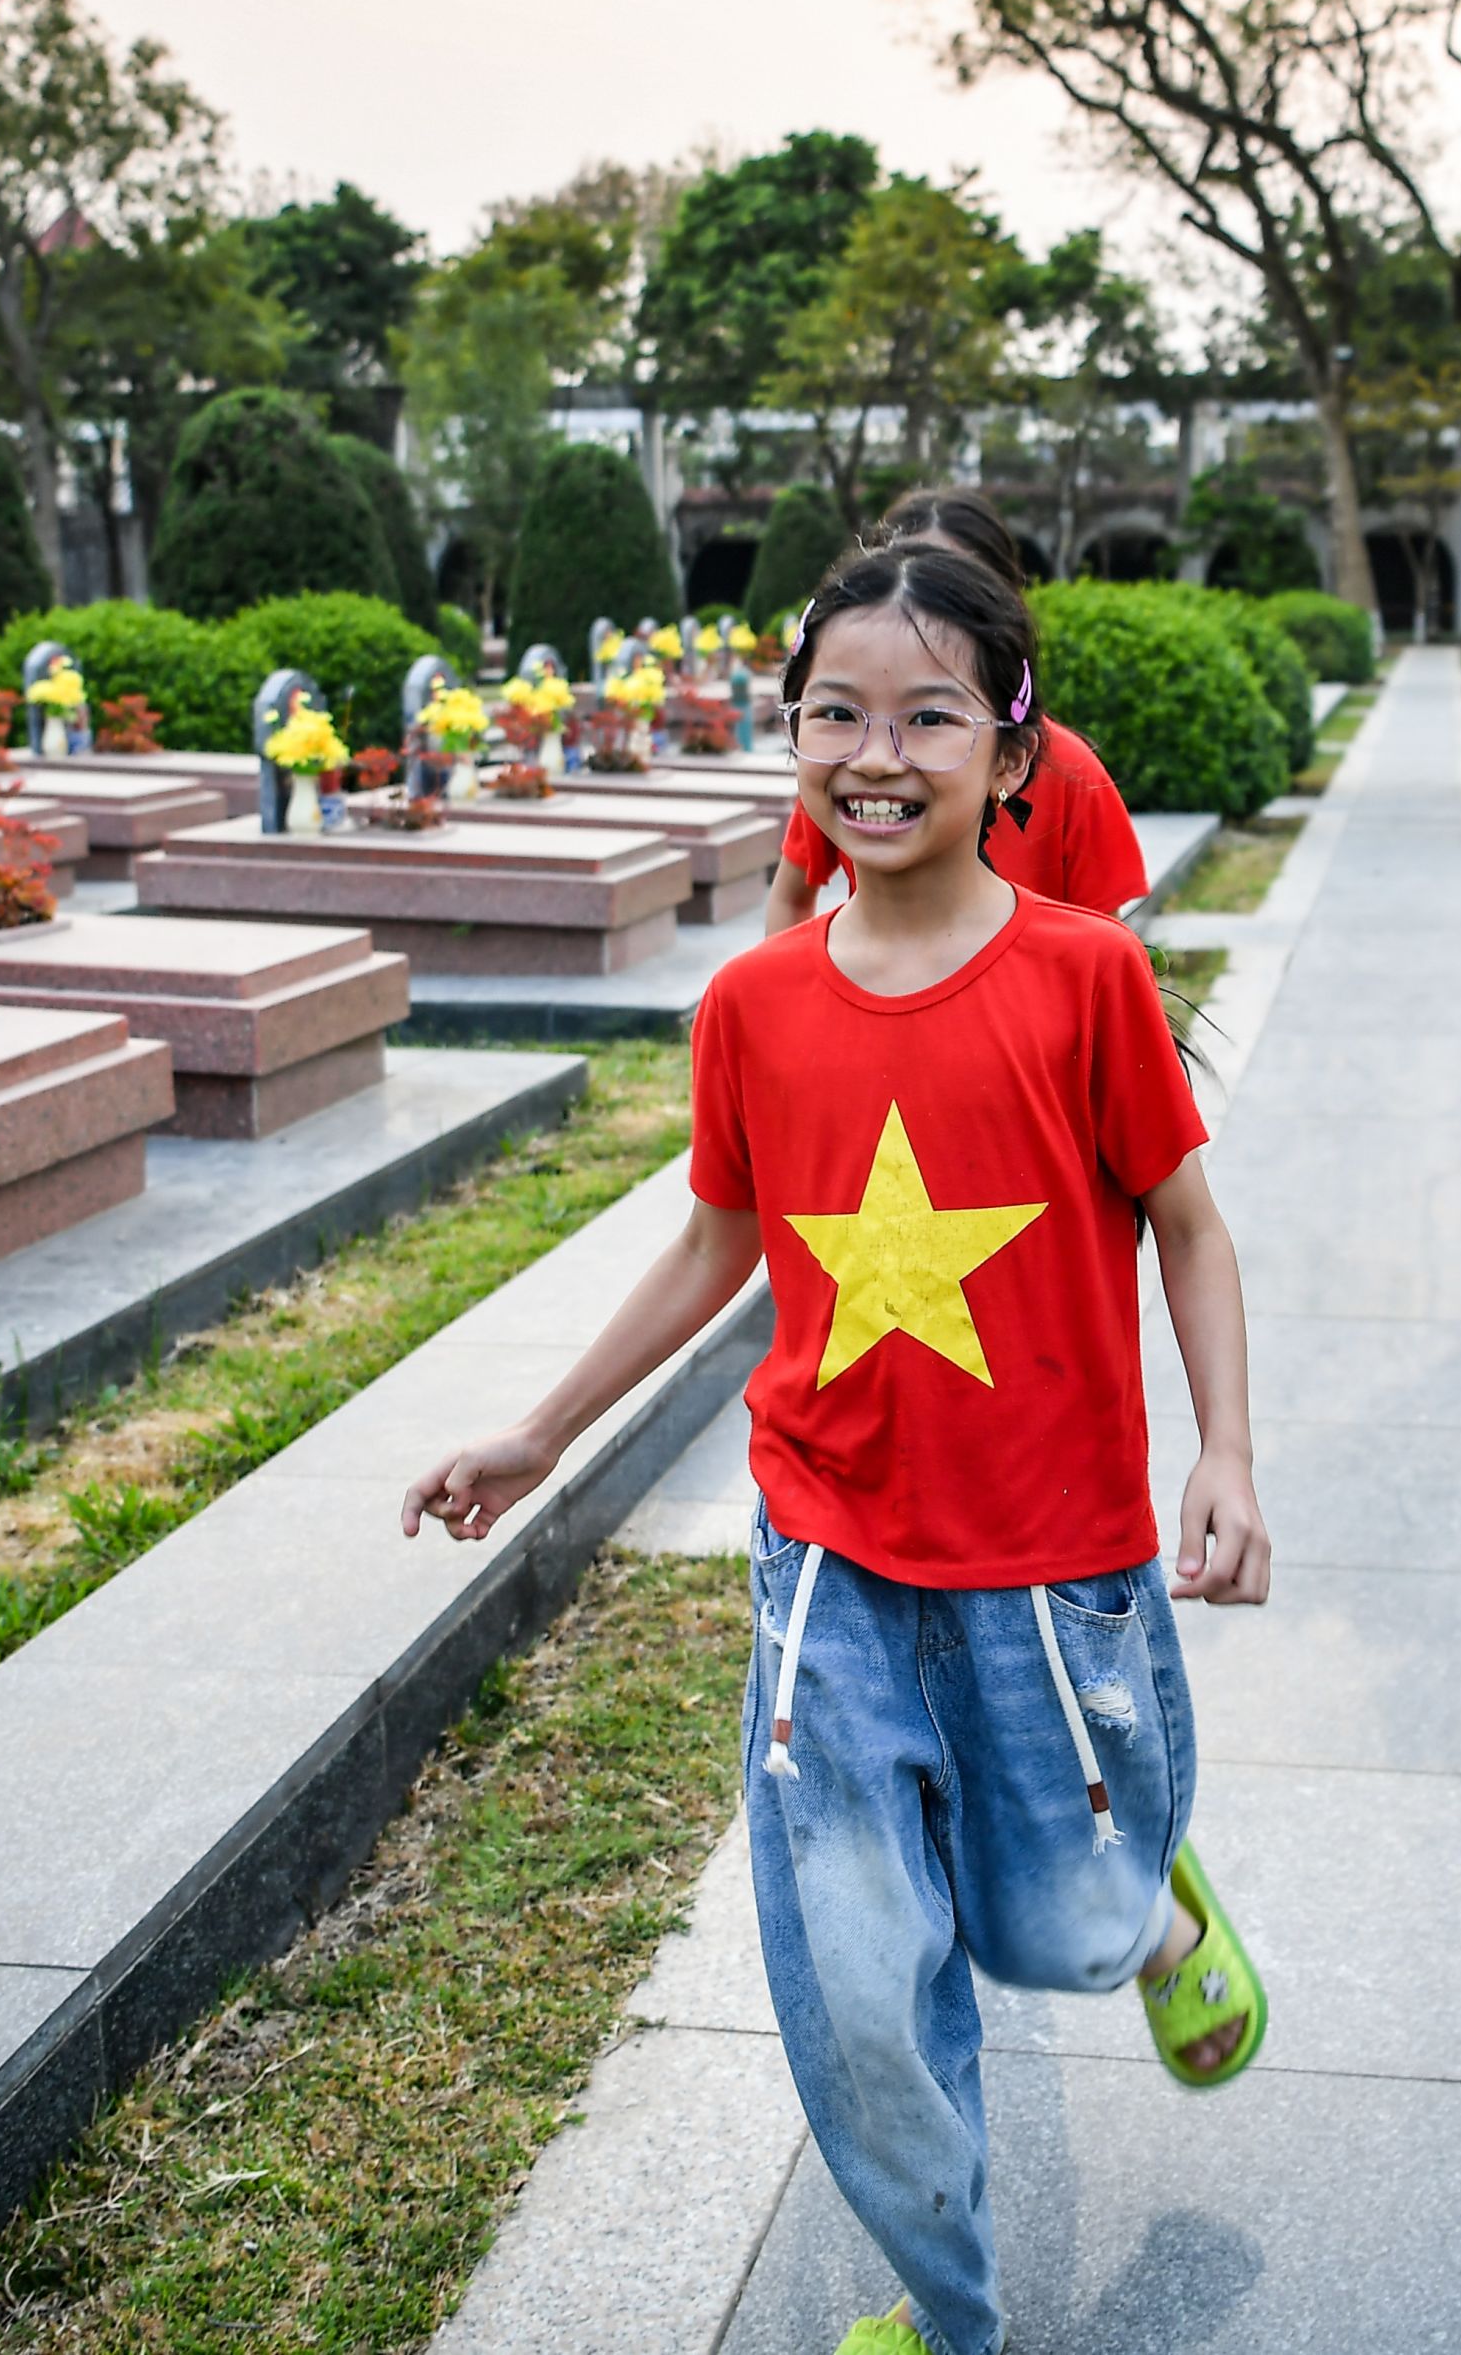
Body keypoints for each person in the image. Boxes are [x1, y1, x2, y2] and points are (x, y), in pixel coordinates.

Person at [409, 539, 1270, 2355]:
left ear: (1013, 753)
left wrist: (1228, 1454)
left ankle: (1144, 1913)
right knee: (861, 1972)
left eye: (928, 717)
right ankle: (952, 2311)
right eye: (834, 715)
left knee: (1053, 1923)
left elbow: (1189, 1228)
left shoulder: (1083, 982)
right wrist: (541, 1428)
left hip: (1054, 1565)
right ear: (794, 736)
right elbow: (714, 1244)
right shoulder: (754, 1005)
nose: (876, 755)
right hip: (831, 1561)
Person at [762, 489, 1149, 934]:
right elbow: (790, 898)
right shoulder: (849, 768)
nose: (877, 761)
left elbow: (1102, 941)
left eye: (953, 587)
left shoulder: (1068, 767)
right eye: (837, 714)